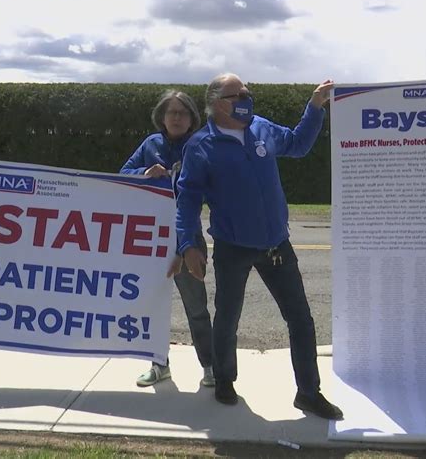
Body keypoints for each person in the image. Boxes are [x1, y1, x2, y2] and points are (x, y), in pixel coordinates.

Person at [175, 73, 343, 420]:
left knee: (300, 319)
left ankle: (308, 393)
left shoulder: (261, 128)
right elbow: (187, 199)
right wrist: (188, 245)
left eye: (247, 92)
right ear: (218, 103)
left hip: (276, 244)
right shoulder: (201, 146)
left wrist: (315, 106)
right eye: (239, 94)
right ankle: (224, 380)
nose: (247, 98)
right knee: (228, 318)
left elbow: (298, 144)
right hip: (232, 247)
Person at [120, 89, 215, 388]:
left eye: (183, 113)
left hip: (188, 238)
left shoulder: (201, 145)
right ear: (162, 117)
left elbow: (214, 184)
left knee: (196, 307)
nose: (176, 118)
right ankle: (159, 365)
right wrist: (145, 172)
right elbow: (123, 174)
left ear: (192, 118)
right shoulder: (150, 144)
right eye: (171, 112)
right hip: (152, 238)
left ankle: (210, 367)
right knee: (154, 305)